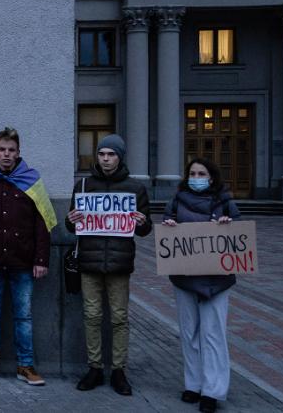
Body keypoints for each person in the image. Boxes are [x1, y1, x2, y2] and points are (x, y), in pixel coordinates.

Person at [0, 127, 55, 387]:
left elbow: (43, 223)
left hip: (23, 262)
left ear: (18, 153)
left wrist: (41, 259)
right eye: (2, 149)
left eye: (11, 150)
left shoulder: (32, 181)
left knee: (23, 316)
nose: (6, 154)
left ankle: (26, 366)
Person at [65, 134, 151, 397]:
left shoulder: (135, 188)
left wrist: (142, 222)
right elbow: (72, 225)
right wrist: (71, 218)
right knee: (91, 316)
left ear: (120, 157)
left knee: (119, 318)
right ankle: (94, 367)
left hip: (119, 263)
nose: (105, 159)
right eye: (102, 154)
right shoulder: (83, 186)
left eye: (111, 154)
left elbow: (146, 229)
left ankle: (118, 370)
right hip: (90, 262)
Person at [163, 157, 241, 413]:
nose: (196, 177)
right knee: (189, 333)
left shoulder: (225, 200)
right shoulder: (176, 200)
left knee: (213, 334)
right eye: (193, 173)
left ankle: (213, 391)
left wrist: (227, 226)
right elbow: (167, 223)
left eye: (202, 173)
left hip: (217, 279)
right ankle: (193, 385)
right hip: (186, 278)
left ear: (211, 176)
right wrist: (170, 226)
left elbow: (239, 233)